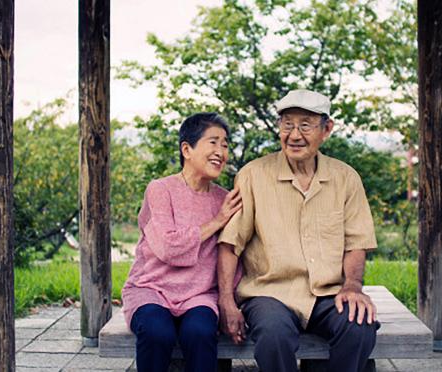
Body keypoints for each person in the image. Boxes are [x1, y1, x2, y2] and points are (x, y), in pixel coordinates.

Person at [217, 89, 379, 372]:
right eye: (287, 124)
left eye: (305, 125)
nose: (294, 135)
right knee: (273, 335)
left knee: (358, 325)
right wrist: (226, 302)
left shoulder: (346, 177)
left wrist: (353, 286)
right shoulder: (253, 175)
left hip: (328, 293)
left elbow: (357, 242)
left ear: (326, 129)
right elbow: (231, 244)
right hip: (269, 293)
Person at [121, 112, 242, 372]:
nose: (221, 151)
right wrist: (216, 222)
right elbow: (167, 247)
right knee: (157, 332)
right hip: (152, 288)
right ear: (186, 149)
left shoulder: (225, 199)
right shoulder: (160, 189)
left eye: (225, 144)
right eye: (213, 142)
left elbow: (234, 250)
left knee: (199, 332)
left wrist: (228, 299)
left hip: (198, 295)